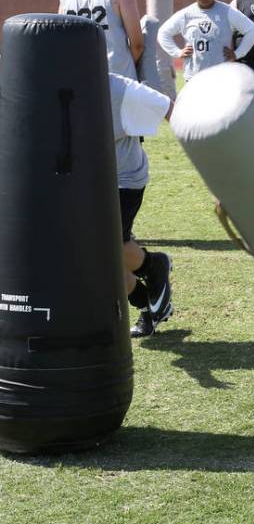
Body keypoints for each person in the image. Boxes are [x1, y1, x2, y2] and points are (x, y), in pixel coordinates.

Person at [106, 72, 176, 338]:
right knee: (99, 259)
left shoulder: (118, 88)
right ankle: (147, 304)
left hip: (123, 180)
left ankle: (153, 265)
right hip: (81, 183)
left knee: (108, 249)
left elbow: (170, 109)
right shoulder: (41, 81)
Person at [158, 0, 254, 83]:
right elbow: (163, 33)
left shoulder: (227, 11)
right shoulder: (186, 14)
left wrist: (238, 53)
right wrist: (177, 52)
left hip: (221, 77)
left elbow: (252, 30)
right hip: (194, 76)